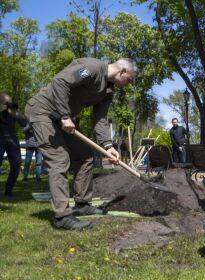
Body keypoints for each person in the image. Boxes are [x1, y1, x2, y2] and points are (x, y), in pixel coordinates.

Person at [25, 57, 138, 230]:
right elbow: (60, 82)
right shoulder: (92, 68)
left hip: (62, 118)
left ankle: (82, 203)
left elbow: (99, 120)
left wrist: (108, 146)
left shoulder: (108, 93)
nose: (128, 84)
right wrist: (64, 115)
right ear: (122, 71)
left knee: (85, 155)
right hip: (44, 112)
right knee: (59, 160)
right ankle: (62, 216)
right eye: (129, 79)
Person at [0, 93, 25, 199]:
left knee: (16, 164)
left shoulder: (13, 112)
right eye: (7, 103)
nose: (9, 104)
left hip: (12, 138)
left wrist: (16, 114)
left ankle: (9, 191)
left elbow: (24, 122)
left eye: (10, 102)